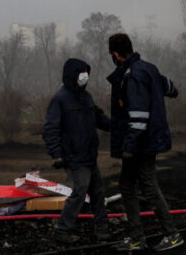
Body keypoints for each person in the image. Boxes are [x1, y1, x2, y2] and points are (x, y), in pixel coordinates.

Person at [107, 33, 183, 252]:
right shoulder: (149, 68)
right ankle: (136, 238)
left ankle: (172, 235)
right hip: (147, 140)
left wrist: (129, 147)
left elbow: (139, 116)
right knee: (127, 186)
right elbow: (172, 88)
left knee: (148, 187)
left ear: (115, 54)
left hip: (141, 143)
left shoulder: (132, 76)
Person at [42, 58, 111, 244]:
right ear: (72, 75)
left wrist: (116, 126)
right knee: (79, 192)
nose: (85, 77)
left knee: (98, 191)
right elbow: (51, 128)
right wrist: (56, 154)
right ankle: (62, 230)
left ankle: (102, 228)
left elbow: (99, 117)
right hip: (73, 157)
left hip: (89, 155)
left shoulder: (86, 97)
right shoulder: (60, 99)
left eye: (86, 73)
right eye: (81, 73)